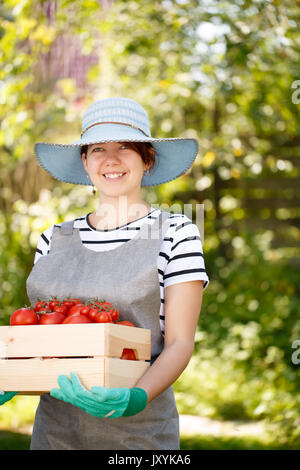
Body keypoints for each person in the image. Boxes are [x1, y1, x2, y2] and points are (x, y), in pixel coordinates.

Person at [0, 97, 209, 450]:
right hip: (54, 433)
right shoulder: (53, 239)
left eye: (125, 147)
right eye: (98, 148)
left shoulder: (177, 233)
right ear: (85, 162)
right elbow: (43, 337)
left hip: (138, 436)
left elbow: (179, 343)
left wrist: (136, 398)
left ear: (147, 159)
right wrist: (13, 370)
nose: (111, 159)